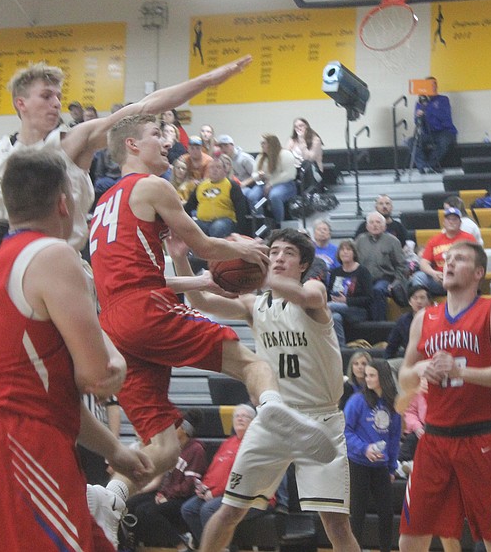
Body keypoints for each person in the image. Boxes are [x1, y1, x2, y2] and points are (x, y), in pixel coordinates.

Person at [90, 117, 336, 518]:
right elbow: (204, 242)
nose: (167, 141)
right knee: (249, 362)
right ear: (132, 145)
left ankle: (110, 496)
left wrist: (199, 279)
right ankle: (275, 412)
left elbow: (137, 281)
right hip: (145, 309)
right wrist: (250, 250)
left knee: (165, 449)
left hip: (115, 323)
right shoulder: (152, 185)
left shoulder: (103, 204)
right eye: (157, 135)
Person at [0, 151, 154, 551]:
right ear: (64, 202)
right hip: (22, 442)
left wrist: (115, 449)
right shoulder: (52, 255)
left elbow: (49, 391)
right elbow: (99, 377)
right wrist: (114, 352)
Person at [0, 57, 253, 254]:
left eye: (58, 96)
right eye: (46, 95)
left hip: (66, 257)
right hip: (11, 258)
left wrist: (208, 80)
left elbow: (144, 106)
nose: (56, 102)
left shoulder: (73, 140)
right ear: (21, 103)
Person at [168, 228, 359, 552]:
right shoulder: (255, 304)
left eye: (287, 253)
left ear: (303, 265)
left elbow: (307, 296)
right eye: (273, 252)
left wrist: (257, 266)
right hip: (274, 418)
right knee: (229, 510)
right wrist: (179, 257)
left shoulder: (312, 290)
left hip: (319, 420)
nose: (279, 257)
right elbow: (199, 300)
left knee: (335, 523)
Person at [397, 241, 491, 551]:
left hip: (481, 436)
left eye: (460, 259)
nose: (449, 263)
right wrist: (422, 368)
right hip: (435, 438)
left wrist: (460, 372)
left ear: (479, 272)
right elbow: (403, 376)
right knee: (410, 537)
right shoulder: (424, 318)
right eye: (447, 258)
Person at [179, 405, 260, 548]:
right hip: (219, 492)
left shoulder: (254, 444)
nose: (240, 418)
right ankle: (210, 547)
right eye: (237, 416)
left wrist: (214, 493)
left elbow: (241, 477)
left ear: (253, 421)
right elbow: (213, 470)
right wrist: (203, 487)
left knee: (208, 509)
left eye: (245, 416)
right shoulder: (228, 443)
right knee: (188, 509)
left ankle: (224, 547)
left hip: (246, 495)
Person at [344, 358, 401, 552]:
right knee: (357, 514)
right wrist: (364, 449)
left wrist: (392, 467)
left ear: (382, 377)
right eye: (366, 375)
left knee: (386, 514)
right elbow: (345, 431)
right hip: (358, 464)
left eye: (371, 375)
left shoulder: (393, 404)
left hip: (381, 467)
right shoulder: (357, 400)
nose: (366, 378)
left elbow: (393, 438)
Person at [129, 409, 207, 548]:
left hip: (182, 498)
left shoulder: (196, 450)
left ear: (184, 429)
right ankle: (132, 545)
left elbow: (188, 486)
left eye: (175, 426)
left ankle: (181, 544)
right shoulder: (174, 448)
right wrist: (162, 492)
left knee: (147, 510)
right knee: (131, 504)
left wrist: (167, 495)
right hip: (167, 493)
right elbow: (166, 476)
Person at [354, 211, 408, 320]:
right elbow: (354, 262)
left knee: (377, 290)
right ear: (367, 226)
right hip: (363, 280)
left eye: (378, 222)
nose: (375, 225)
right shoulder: (360, 240)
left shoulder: (393, 241)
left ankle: (379, 325)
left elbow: (401, 266)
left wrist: (395, 283)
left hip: (385, 279)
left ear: (384, 226)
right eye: (372, 222)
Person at [412, 207, 476, 296]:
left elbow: (475, 261)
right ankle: (423, 307)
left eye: (454, 219)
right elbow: (423, 263)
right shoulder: (434, 240)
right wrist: (434, 273)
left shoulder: (469, 239)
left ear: (460, 223)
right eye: (448, 219)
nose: (451, 221)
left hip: (460, 279)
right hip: (440, 280)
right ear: (444, 222)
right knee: (419, 277)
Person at [184, 157, 250, 238]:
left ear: (224, 171)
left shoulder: (232, 185)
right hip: (203, 221)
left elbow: (241, 210)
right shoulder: (201, 186)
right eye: (211, 167)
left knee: (217, 228)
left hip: (225, 221)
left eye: (218, 167)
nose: (214, 170)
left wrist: (240, 232)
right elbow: (189, 206)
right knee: (193, 228)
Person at [327, 239, 373, 347]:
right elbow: (329, 291)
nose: (345, 252)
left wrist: (346, 300)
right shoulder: (335, 272)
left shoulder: (363, 272)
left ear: (354, 253)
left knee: (327, 307)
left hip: (357, 310)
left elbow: (369, 298)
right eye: (342, 250)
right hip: (336, 308)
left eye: (348, 249)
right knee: (335, 317)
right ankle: (342, 350)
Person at [244, 134, 297, 226]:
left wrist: (271, 183)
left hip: (285, 184)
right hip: (264, 183)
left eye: (264, 143)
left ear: (271, 143)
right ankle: (260, 223)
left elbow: (290, 174)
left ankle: (278, 224)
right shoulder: (261, 157)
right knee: (252, 196)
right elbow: (254, 174)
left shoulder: (285, 154)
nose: (262, 145)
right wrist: (258, 176)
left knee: (274, 196)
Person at [412, 77, 458, 172]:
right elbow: (417, 123)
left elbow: (444, 117)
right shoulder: (420, 103)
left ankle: (431, 165)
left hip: (444, 132)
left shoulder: (443, 100)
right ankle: (422, 165)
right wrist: (419, 116)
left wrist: (428, 109)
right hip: (427, 133)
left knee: (444, 141)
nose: (431, 88)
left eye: (432, 85)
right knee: (411, 142)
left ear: (436, 86)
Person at [385, 284, 432, 362]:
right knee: (388, 365)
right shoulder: (403, 321)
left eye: (422, 298)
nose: (419, 301)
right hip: (410, 362)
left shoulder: (436, 318)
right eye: (415, 298)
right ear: (410, 302)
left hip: (431, 360)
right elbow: (392, 346)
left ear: (429, 302)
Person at [286, 117, 324, 192]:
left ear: (306, 126)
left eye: (301, 125)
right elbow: (286, 155)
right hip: (295, 169)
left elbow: (309, 158)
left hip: (312, 170)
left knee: (306, 164)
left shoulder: (315, 139)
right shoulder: (292, 140)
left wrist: (302, 141)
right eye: (296, 127)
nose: (299, 128)